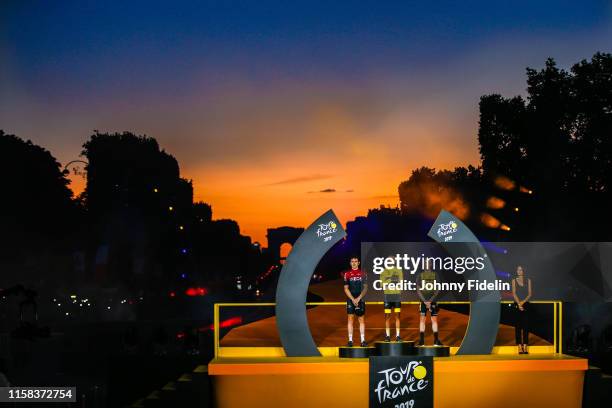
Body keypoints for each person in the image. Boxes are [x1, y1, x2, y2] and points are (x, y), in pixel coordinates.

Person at [343, 256, 368, 347]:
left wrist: (358, 298)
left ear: (358, 263)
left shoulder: (363, 273)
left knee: (361, 319)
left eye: (355, 261)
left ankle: (363, 340)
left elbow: (365, 287)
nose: (354, 263)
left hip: (360, 298)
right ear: (350, 263)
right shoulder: (347, 274)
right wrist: (353, 299)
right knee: (350, 319)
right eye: (352, 261)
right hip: (350, 298)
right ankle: (350, 340)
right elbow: (346, 288)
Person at [416, 269, 443, 346]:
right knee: (422, 320)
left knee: (434, 320)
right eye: (425, 263)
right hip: (423, 301)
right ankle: (421, 341)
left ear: (431, 264)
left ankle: (436, 341)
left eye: (429, 262)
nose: (427, 264)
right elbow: (418, 289)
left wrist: (431, 300)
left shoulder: (435, 275)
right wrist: (424, 301)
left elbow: (437, 288)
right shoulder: (420, 275)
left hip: (432, 300)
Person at [380, 259, 403, 341]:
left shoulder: (399, 271)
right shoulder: (383, 272)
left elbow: (401, 283)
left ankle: (398, 336)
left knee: (397, 316)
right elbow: (382, 285)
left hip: (397, 296)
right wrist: (391, 279)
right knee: (387, 317)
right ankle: (388, 336)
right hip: (387, 297)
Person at [512, 265, 532, 354]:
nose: (520, 271)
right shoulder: (513, 281)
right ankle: (519, 346)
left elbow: (530, 294)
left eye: (521, 270)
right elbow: (514, 293)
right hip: (517, 305)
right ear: (516, 271)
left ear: (523, 271)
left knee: (526, 326)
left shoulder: (528, 281)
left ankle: (525, 346)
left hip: (526, 305)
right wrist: (519, 303)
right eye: (518, 270)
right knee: (518, 326)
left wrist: (523, 303)